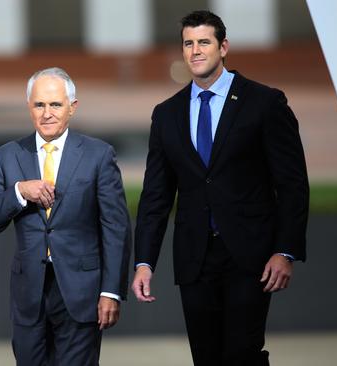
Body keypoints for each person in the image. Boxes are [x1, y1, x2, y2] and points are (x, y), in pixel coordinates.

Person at [132, 10, 309, 366]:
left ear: (223, 47)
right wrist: (144, 261)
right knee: (206, 357)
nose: (195, 50)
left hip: (251, 256)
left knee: (242, 354)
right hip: (195, 258)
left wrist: (285, 250)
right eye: (188, 43)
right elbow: (156, 195)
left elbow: (292, 183)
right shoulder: (166, 115)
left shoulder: (265, 103)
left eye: (204, 42)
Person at [0, 67, 131, 366]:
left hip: (82, 294)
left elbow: (116, 228)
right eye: (39, 105)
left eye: (55, 104)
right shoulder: (7, 156)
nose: (47, 113)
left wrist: (111, 291)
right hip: (29, 296)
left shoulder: (98, 155)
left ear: (72, 107)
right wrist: (19, 192)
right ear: (29, 107)